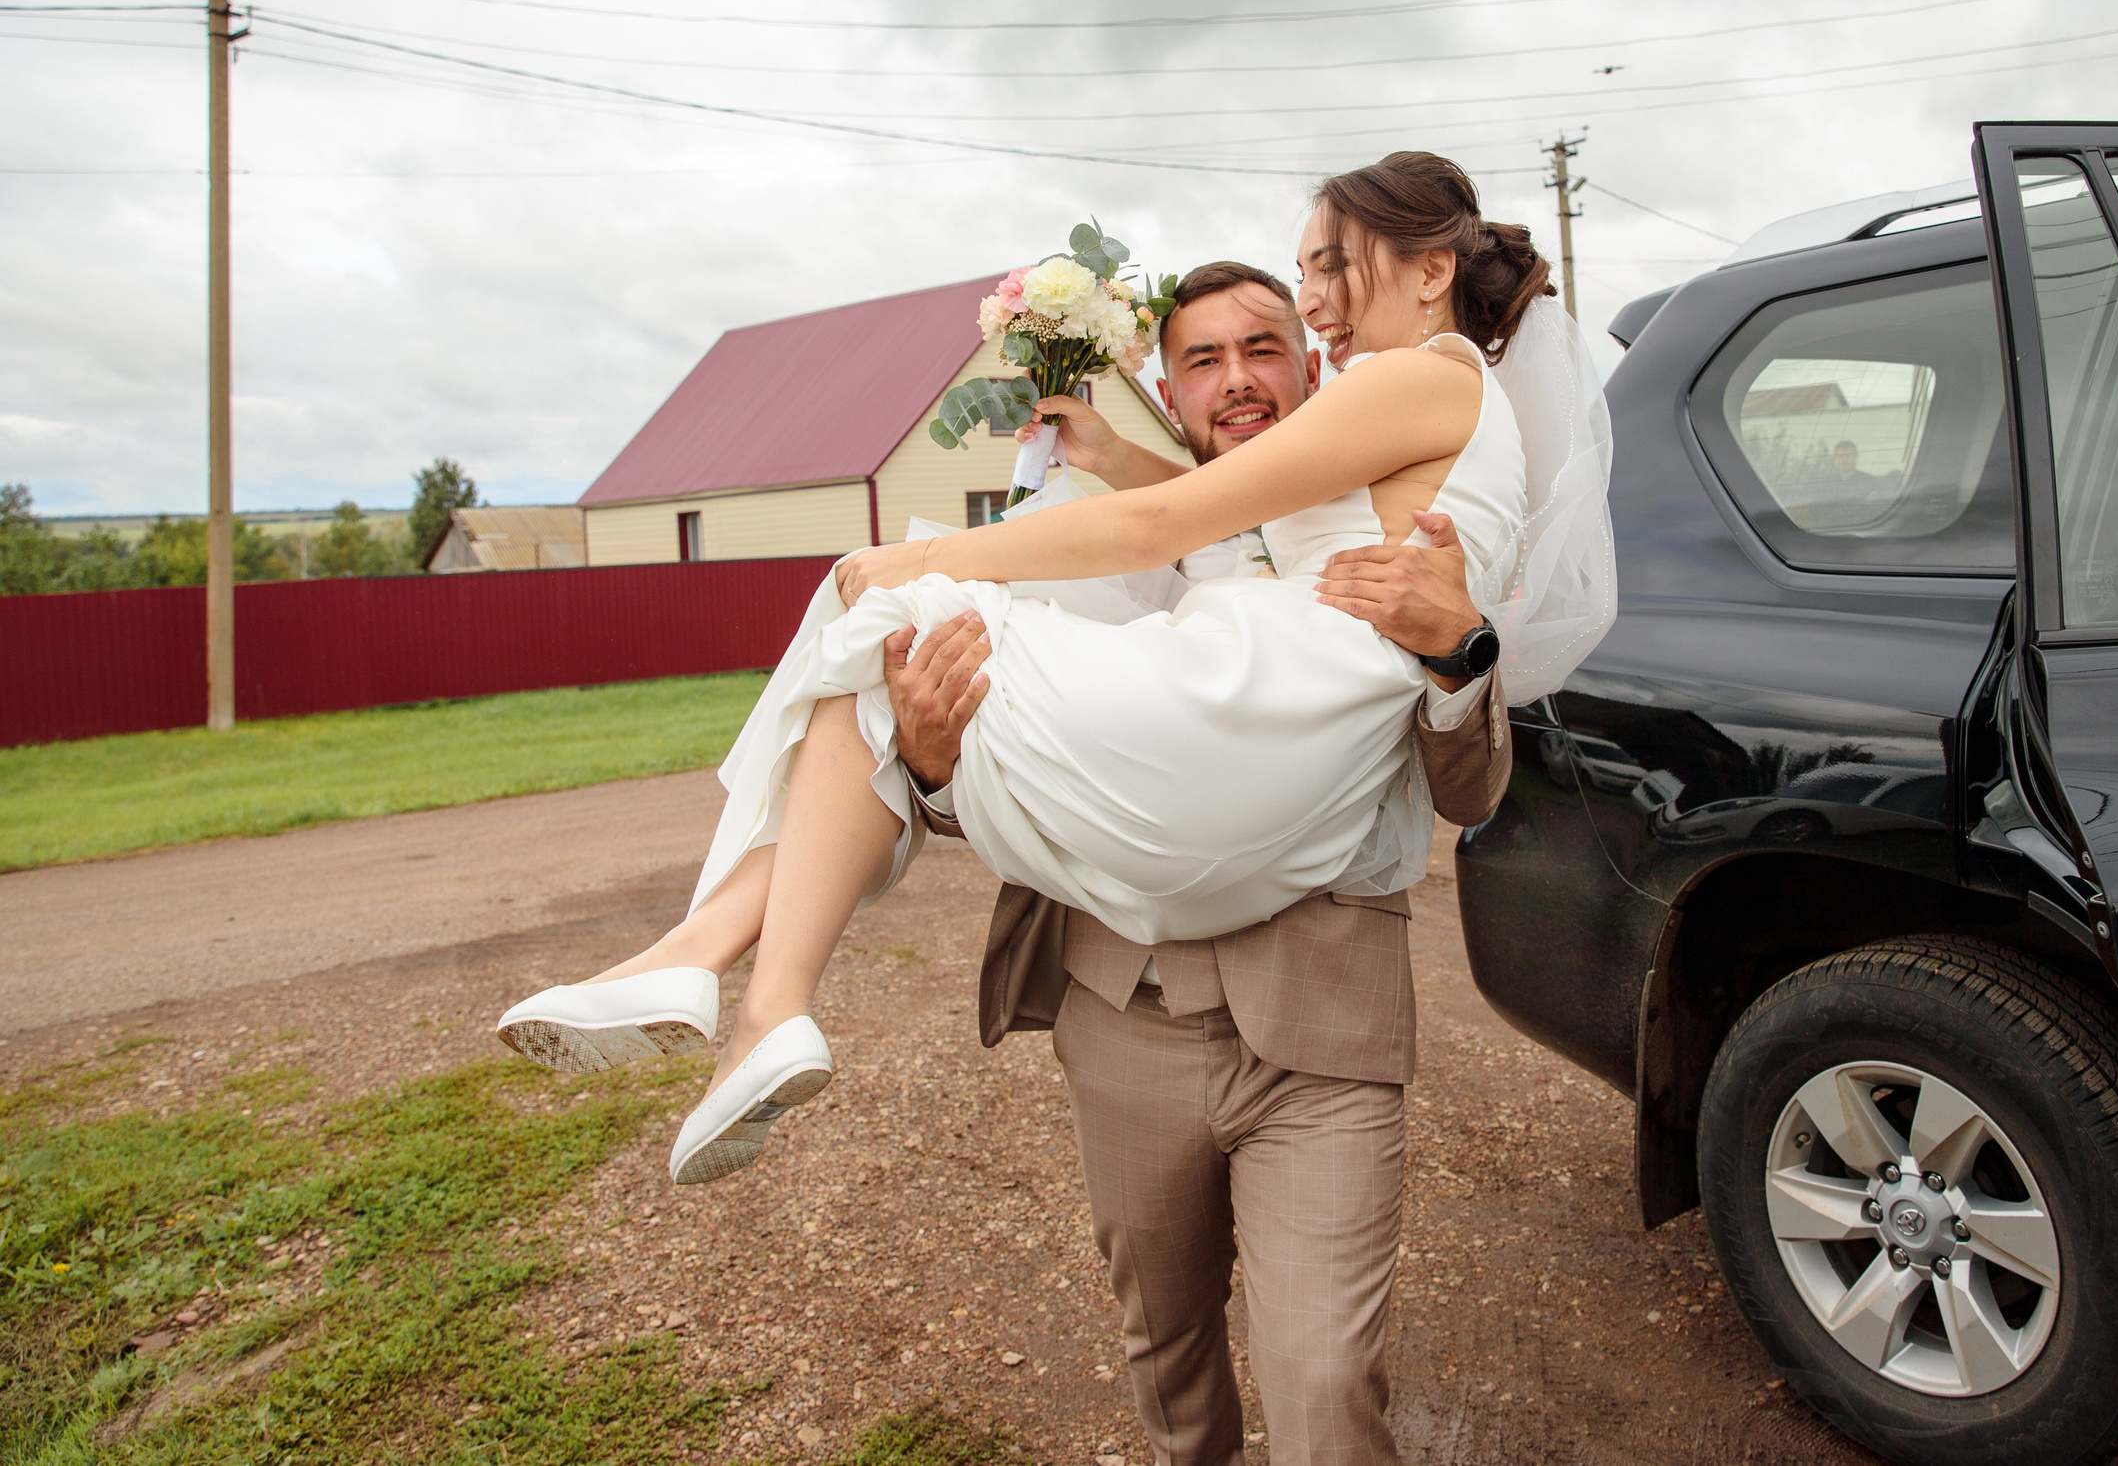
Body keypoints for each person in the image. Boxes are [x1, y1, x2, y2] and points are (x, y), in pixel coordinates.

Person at [496, 150, 1614, 1195]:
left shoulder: (1412, 378)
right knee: (890, 672)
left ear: (1428, 270)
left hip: (1243, 713)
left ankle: (744, 984)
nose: (1314, 288)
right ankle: (722, 981)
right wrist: (1110, 454)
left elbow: (1168, 525)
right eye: (1308, 262)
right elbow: (1247, 525)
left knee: (881, 602)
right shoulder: (1442, 402)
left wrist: (925, 553)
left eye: (1331, 262)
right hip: (1280, 757)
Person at [882, 258, 1507, 1465]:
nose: (1238, 380)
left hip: (1320, 1037)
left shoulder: (1399, 535)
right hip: (1124, 1016)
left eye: (1264, 348)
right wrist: (931, 762)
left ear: (1315, 368)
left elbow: (1474, 789)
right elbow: (1010, 788)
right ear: (1167, 388)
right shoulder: (1090, 552)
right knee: (1165, 1351)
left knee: (1325, 1383)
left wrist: (1458, 651)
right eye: (1204, 359)